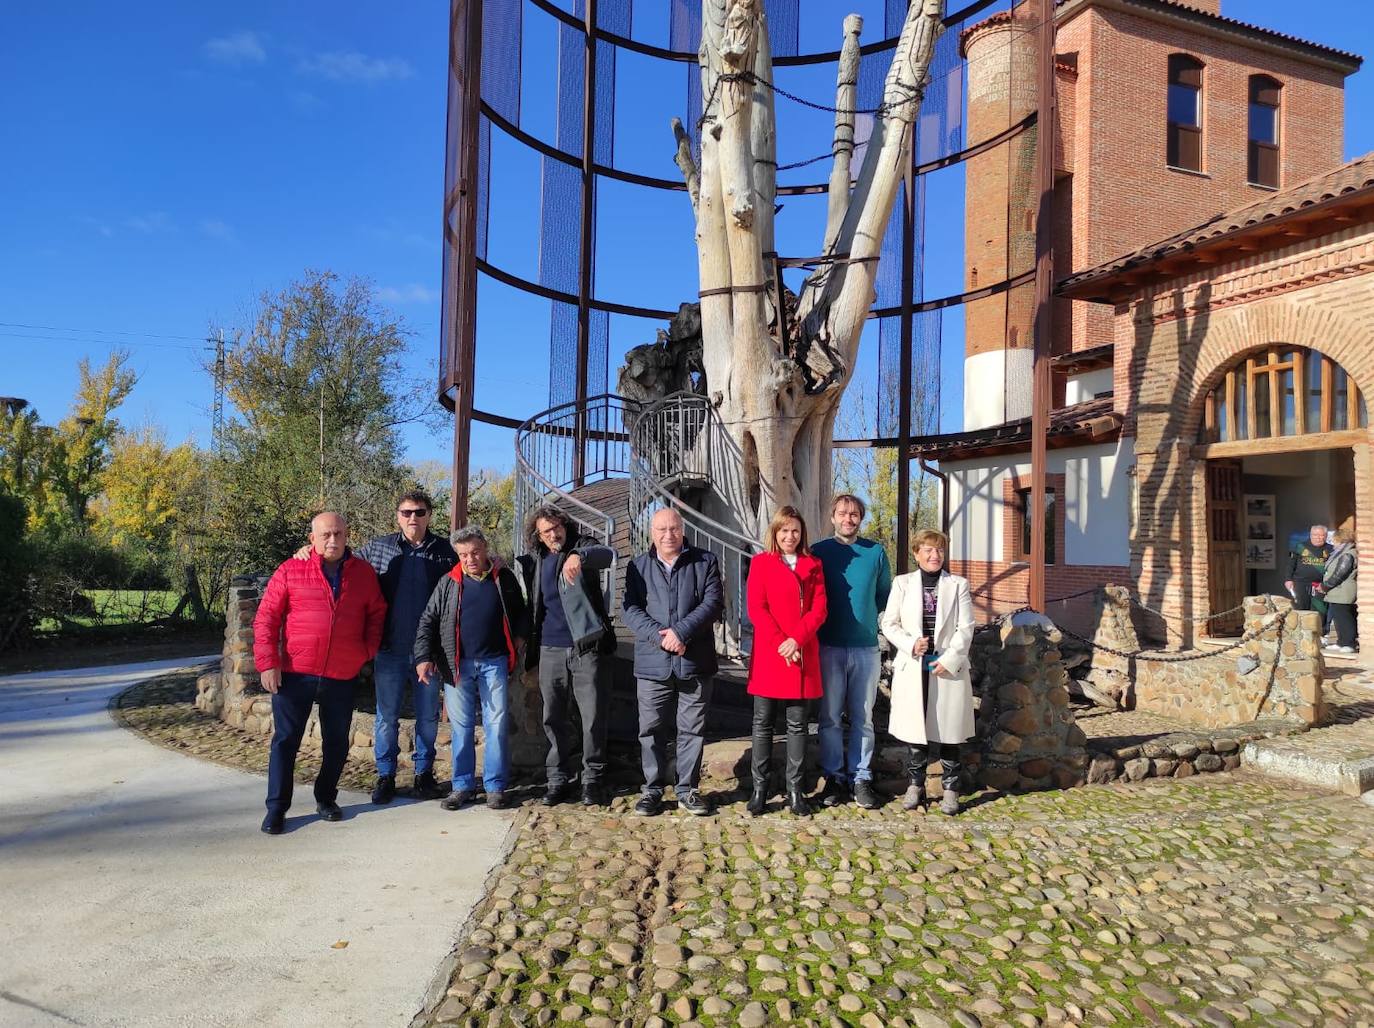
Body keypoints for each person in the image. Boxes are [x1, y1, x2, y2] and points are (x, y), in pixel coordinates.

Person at [293, 489, 457, 805]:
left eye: (420, 512)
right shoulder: (379, 549)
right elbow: (339, 558)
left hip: (429, 653)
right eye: (407, 512)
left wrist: (494, 559)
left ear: (429, 516)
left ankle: (424, 775)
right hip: (390, 649)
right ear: (397, 516)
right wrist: (309, 551)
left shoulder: (445, 552)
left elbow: (470, 569)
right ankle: (386, 776)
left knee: (427, 716)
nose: (413, 518)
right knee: (386, 716)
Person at [254, 512, 386, 835]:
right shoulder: (291, 569)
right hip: (295, 672)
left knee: (337, 742)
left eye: (338, 533)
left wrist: (365, 652)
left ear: (347, 535)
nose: (333, 540)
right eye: (326, 534)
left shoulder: (363, 574)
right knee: (285, 741)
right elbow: (266, 618)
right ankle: (276, 809)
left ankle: (326, 798)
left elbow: (377, 613)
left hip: (341, 673)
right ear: (312, 538)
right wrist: (268, 662)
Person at [413, 526, 528, 810]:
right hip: (458, 664)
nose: (469, 558)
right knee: (462, 727)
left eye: (474, 551)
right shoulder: (448, 583)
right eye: (463, 554)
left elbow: (522, 614)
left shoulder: (504, 578)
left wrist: (521, 642)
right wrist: (423, 656)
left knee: (496, 725)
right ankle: (462, 786)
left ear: (485, 548)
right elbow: (428, 620)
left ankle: (495, 786)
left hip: (495, 662)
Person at [623, 507, 724, 817]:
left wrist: (681, 632)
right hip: (654, 663)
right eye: (661, 530)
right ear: (652, 533)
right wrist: (661, 636)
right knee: (650, 729)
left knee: (692, 729)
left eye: (674, 529)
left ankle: (687, 789)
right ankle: (652, 789)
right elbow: (630, 609)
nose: (669, 535)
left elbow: (713, 603)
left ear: (682, 529)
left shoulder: (705, 561)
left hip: (694, 661)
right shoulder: (638, 566)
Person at [516, 505, 617, 807]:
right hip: (550, 647)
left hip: (586, 646)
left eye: (557, 527)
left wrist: (579, 557)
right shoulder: (537, 559)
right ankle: (557, 779)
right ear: (538, 535)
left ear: (565, 525)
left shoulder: (582, 546)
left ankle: (592, 780)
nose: (553, 534)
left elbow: (607, 554)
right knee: (553, 717)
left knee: (592, 717)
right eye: (546, 531)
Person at [880, 528, 975, 816]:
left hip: (946, 665)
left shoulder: (958, 584)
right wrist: (911, 644)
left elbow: (966, 626)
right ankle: (915, 784)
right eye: (929, 550)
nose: (935, 556)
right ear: (917, 553)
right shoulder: (902, 583)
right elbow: (889, 623)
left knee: (949, 730)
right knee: (916, 731)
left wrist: (952, 657)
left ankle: (950, 788)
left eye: (940, 551)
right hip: (914, 664)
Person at [745, 506, 827, 817]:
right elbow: (757, 608)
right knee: (762, 724)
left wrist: (797, 640)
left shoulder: (813, 564)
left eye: (794, 531)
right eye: (784, 531)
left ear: (801, 533)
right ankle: (760, 789)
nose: (789, 536)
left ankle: (795, 790)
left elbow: (820, 608)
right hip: (771, 653)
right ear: (775, 533)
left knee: (798, 725)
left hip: (801, 652)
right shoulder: (761, 563)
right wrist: (782, 642)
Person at [813, 494, 892, 810]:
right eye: (843, 513)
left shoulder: (875, 552)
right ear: (833, 516)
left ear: (861, 519)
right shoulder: (819, 552)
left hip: (865, 649)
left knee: (863, 718)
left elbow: (886, 596)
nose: (849, 519)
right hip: (828, 646)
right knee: (829, 717)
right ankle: (833, 777)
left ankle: (861, 777)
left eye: (855, 514)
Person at [1319, 527, 1358, 655]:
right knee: (1338, 617)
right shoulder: (1342, 552)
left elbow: (1339, 574)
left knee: (1344, 617)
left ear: (1340, 539)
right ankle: (1341, 642)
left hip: (1343, 590)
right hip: (1337, 591)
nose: (1333, 542)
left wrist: (1325, 586)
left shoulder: (1347, 554)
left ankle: (1349, 643)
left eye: (1334, 540)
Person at [1286, 524, 1332, 613]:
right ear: (1310, 535)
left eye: (1321, 535)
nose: (1318, 538)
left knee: (1319, 612)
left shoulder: (1330, 549)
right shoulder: (1300, 547)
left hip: (1320, 586)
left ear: (1326, 536)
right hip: (1300, 584)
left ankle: (1319, 627)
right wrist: (1288, 579)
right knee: (1301, 611)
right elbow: (1291, 564)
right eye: (1315, 535)